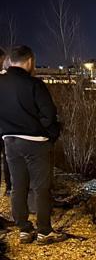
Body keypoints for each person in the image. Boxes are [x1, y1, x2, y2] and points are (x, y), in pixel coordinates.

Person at [0, 45, 63, 244]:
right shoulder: (34, 84)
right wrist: (46, 132)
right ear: (29, 61)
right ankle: (44, 231)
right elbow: (49, 114)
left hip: (10, 141)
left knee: (18, 186)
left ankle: (24, 230)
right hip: (35, 142)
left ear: (11, 61)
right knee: (41, 187)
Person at [0, 48, 11, 196]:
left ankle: (10, 187)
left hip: (4, 127)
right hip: (5, 127)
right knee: (8, 157)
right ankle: (10, 187)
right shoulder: (5, 80)